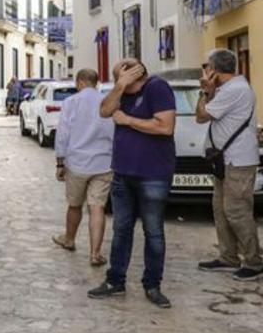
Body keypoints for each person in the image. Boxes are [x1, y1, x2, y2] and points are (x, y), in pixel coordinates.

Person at [88, 59, 176, 308]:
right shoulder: (121, 92)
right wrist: (119, 87)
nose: (120, 82)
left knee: (154, 231)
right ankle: (115, 281)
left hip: (153, 174)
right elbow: (105, 111)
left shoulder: (158, 88)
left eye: (123, 76)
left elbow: (165, 127)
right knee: (121, 229)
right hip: (122, 173)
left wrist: (128, 121)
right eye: (118, 77)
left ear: (138, 74)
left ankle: (152, 285)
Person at [196, 49, 261, 281]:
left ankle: (254, 261)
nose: (205, 70)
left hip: (238, 161)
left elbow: (201, 116)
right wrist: (211, 91)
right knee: (221, 209)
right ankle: (228, 257)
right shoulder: (226, 89)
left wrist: (205, 91)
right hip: (226, 160)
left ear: (214, 69)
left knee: (237, 210)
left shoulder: (234, 90)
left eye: (207, 66)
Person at [52, 69, 114, 266]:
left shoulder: (71, 103)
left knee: (74, 204)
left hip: (77, 163)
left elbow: (62, 133)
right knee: (97, 207)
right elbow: (114, 132)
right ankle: (95, 253)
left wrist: (60, 161)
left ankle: (69, 239)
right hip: (103, 163)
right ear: (96, 83)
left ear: (79, 82)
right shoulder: (107, 101)